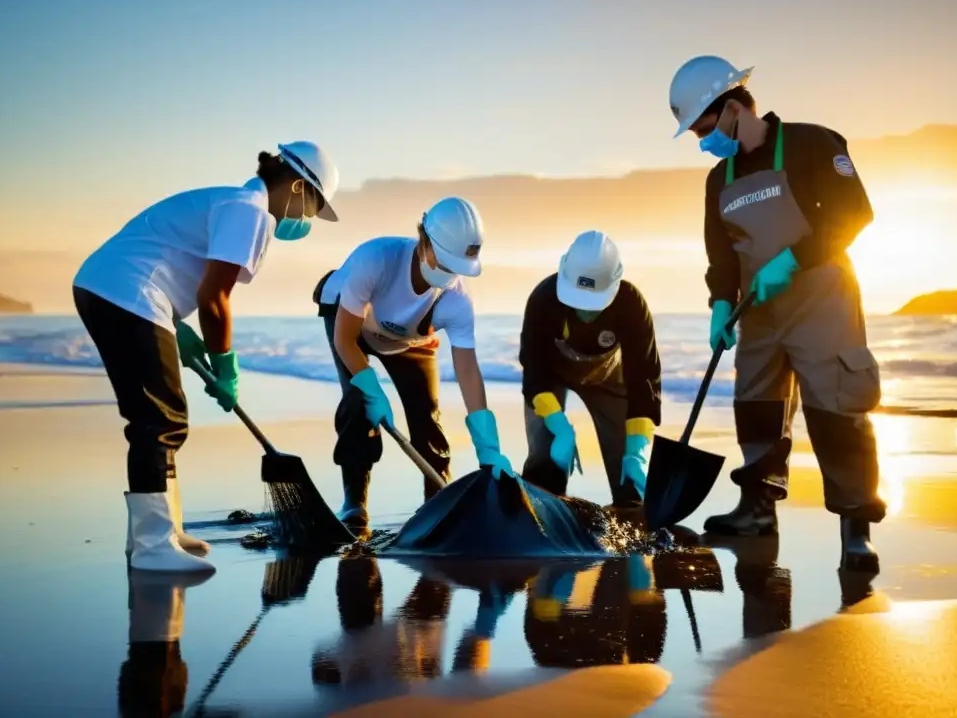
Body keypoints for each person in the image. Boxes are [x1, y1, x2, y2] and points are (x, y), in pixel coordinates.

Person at [72, 141, 340, 573]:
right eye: (312, 205)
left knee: (162, 416)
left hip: (117, 289)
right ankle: (152, 546)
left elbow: (169, 258)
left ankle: (166, 532)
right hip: (128, 293)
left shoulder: (233, 202)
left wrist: (177, 328)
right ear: (297, 186)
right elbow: (214, 298)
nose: (307, 218)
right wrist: (225, 365)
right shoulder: (249, 210)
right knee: (158, 420)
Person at [668, 55, 886, 572]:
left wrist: (792, 259)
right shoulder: (718, 180)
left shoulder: (812, 144)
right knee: (757, 406)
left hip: (822, 300)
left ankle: (855, 528)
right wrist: (721, 305)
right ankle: (757, 511)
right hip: (758, 310)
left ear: (731, 109)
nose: (702, 141)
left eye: (703, 128)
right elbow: (721, 255)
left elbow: (854, 211)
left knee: (837, 407)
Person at [313, 196, 515, 531]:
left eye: (456, 267)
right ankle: (354, 504)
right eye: (444, 261)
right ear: (424, 239)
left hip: (408, 338)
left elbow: (467, 370)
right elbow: (344, 340)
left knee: (426, 415)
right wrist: (371, 388)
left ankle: (438, 505)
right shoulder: (376, 259)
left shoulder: (457, 301)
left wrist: (488, 445)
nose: (449, 273)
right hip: (352, 325)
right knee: (358, 403)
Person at [518, 230, 662, 508]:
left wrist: (637, 448)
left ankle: (629, 510)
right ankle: (541, 509)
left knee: (628, 477)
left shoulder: (631, 303)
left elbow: (644, 378)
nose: (585, 311)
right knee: (544, 461)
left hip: (608, 379)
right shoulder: (543, 299)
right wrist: (558, 424)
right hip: (550, 378)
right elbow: (534, 372)